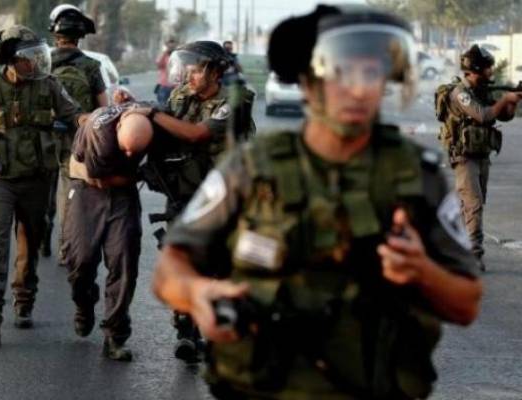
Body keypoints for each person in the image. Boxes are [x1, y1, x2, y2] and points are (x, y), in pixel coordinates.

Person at [153, 5, 482, 399]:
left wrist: (423, 271)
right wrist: (197, 293)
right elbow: (170, 269)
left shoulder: (416, 176)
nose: (357, 89)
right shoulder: (251, 168)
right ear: (309, 82)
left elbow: (466, 302)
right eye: (340, 73)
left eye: (370, 74)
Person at [0, 25, 81, 346]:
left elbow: (76, 116)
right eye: (28, 57)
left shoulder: (49, 85)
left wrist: (101, 121)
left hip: (37, 180)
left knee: (29, 245)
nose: (35, 63)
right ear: (11, 59)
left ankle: (24, 301)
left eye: (39, 56)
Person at [142, 40, 255, 362]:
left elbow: (198, 134)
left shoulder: (236, 101)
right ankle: (186, 332)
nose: (188, 77)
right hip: (184, 193)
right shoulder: (181, 97)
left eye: (195, 71)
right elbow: (163, 123)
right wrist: (136, 109)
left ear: (215, 72)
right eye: (186, 70)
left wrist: (152, 113)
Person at [62, 103, 153, 361]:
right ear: (119, 129)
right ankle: (84, 301)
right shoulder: (99, 130)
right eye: (126, 148)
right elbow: (98, 178)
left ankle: (116, 334)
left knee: (124, 261)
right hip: (87, 190)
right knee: (79, 260)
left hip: (123, 197)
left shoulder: (151, 125)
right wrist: (140, 174)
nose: (129, 153)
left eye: (134, 151)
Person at [441, 44, 519, 271]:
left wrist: (512, 102)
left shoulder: (481, 90)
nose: (491, 71)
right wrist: (505, 99)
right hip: (464, 158)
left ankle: (453, 246)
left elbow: (502, 116)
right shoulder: (461, 93)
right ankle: (474, 255)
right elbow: (484, 115)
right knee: (473, 204)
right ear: (475, 69)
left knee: (472, 205)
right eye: (487, 68)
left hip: (481, 155)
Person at [45, 4, 108, 259]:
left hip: (44, 136)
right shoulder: (91, 66)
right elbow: (103, 108)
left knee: (43, 187)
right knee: (69, 192)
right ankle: (66, 247)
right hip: (77, 137)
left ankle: (41, 233)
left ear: (55, 33)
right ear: (80, 36)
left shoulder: (43, 62)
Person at [155, 37, 178, 105]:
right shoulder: (163, 55)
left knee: (176, 107)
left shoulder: (178, 56)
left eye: (173, 43)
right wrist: (164, 52)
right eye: (169, 43)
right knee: (162, 106)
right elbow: (158, 64)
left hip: (176, 87)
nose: (171, 46)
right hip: (164, 86)